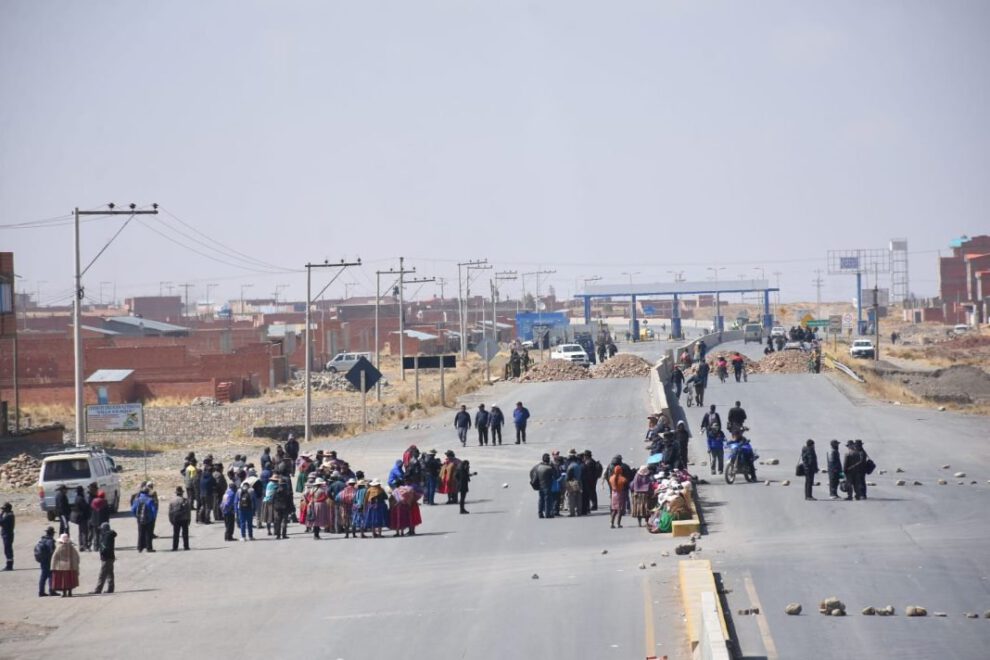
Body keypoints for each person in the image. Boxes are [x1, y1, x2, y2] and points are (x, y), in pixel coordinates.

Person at [51, 533, 80, 598]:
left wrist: (53, 566)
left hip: (61, 567)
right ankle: (70, 592)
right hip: (71, 566)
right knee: (70, 580)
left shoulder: (59, 547)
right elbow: (76, 556)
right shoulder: (71, 547)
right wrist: (76, 564)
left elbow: (54, 557)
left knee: (63, 581)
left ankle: (64, 593)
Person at [91, 522, 116, 594]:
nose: (101, 530)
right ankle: (111, 588)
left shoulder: (107, 536)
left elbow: (105, 547)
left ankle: (98, 590)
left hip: (106, 558)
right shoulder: (110, 535)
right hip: (111, 557)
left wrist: (102, 553)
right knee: (110, 573)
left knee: (102, 574)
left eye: (102, 529)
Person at [131, 486, 157, 553]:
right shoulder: (150, 500)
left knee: (140, 533)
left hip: (140, 519)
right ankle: (149, 548)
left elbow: (133, 509)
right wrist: (153, 517)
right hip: (149, 519)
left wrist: (136, 516)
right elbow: (153, 510)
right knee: (148, 534)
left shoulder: (137, 499)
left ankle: (140, 547)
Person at [530, 454, 555, 519]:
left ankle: (540, 514)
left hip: (540, 486)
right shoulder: (549, 468)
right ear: (548, 460)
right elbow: (556, 475)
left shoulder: (538, 467)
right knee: (547, 500)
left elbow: (531, 473)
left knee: (541, 500)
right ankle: (547, 514)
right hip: (547, 486)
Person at [35, 526, 57, 597]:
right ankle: (52, 590)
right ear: (52, 533)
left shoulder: (42, 540)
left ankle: (41, 591)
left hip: (42, 560)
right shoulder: (50, 541)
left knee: (43, 576)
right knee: (51, 575)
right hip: (48, 560)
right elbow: (52, 552)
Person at [169, 486, 192, 551]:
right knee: (185, 533)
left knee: (176, 533)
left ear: (176, 493)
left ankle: (175, 547)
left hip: (176, 518)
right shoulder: (185, 500)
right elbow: (188, 511)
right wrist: (189, 519)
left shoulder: (172, 500)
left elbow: (170, 512)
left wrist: (171, 519)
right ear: (182, 493)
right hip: (184, 518)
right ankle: (186, 546)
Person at [564, 452, 583, 517]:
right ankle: (579, 512)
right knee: (578, 498)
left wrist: (566, 484)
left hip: (572, 483)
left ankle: (572, 513)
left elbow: (568, 477)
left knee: (571, 498)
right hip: (579, 482)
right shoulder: (578, 465)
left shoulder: (570, 466)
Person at [0, 502, 14, 570]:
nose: (3, 510)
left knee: (8, 550)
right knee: (8, 549)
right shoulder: (10, 515)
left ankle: (9, 566)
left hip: (7, 535)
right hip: (7, 534)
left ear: (8, 508)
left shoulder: (9, 516)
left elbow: (1, 522)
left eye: (4, 509)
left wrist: (1, 514)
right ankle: (9, 565)